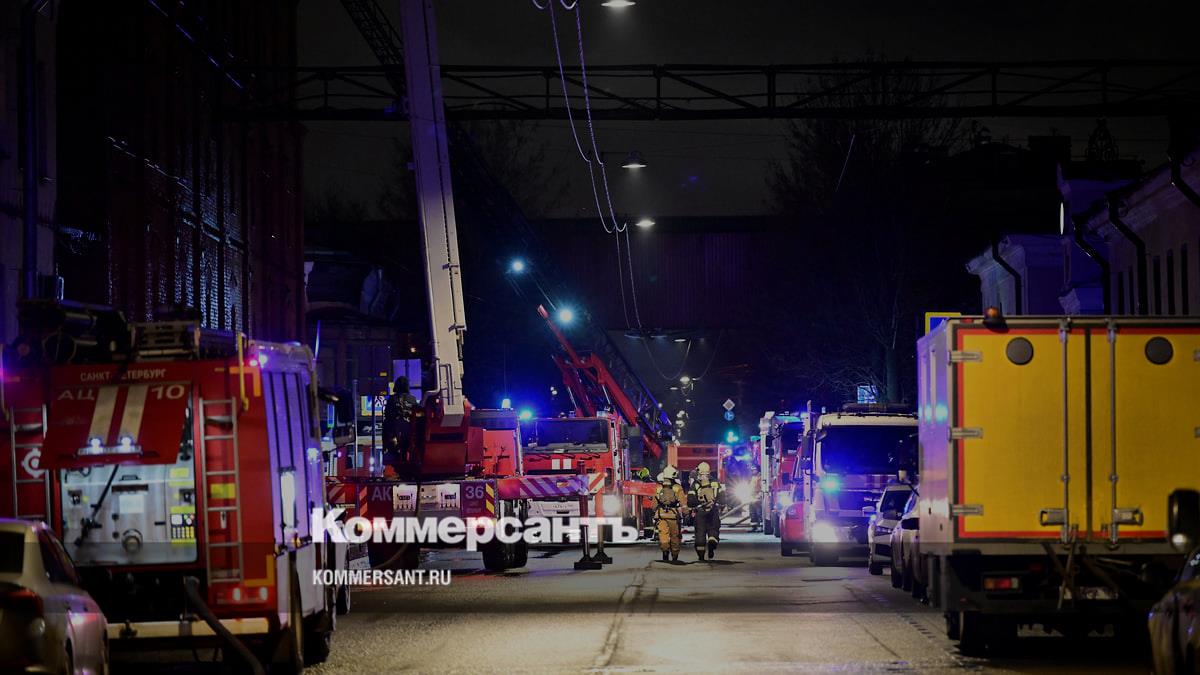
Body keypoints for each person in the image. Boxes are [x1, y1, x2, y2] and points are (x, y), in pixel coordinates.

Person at [687, 461, 725, 560]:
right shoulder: (715, 483)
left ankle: (701, 555)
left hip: (700, 512)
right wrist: (722, 505)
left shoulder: (696, 484)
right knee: (713, 529)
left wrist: (693, 507)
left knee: (700, 532)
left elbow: (690, 501)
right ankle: (712, 542)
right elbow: (722, 497)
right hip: (713, 510)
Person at [382, 375, 419, 469]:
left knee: (385, 424)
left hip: (394, 431)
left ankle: (387, 449)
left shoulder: (392, 399)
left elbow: (387, 414)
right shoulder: (412, 399)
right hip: (411, 431)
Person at [653, 470, 687, 562]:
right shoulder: (677, 488)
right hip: (673, 515)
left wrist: (655, 512)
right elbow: (683, 503)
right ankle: (674, 555)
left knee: (663, 534)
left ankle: (665, 551)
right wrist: (686, 513)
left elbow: (654, 504)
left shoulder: (659, 488)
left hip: (661, 515)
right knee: (675, 536)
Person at [749, 468, 763, 532]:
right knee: (752, 513)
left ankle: (761, 526)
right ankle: (754, 527)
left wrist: (759, 495)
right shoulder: (753, 478)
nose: (753, 471)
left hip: (757, 498)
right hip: (752, 497)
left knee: (759, 513)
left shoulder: (760, 478)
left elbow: (761, 488)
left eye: (754, 470)